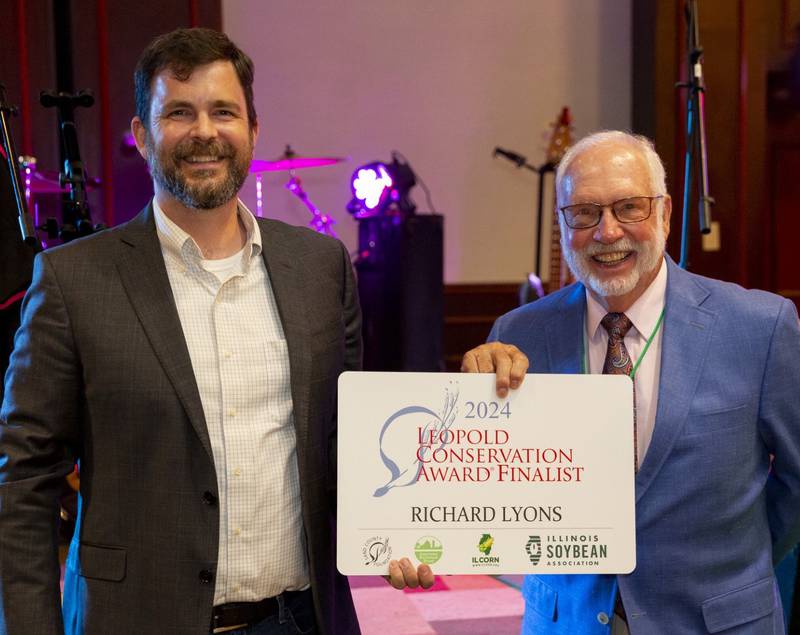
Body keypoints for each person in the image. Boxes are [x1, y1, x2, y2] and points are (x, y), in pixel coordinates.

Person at [0, 28, 430, 635]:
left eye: (223, 111)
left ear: (252, 130)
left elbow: (343, 443)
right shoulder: (75, 281)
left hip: (300, 619)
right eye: (179, 112)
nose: (204, 131)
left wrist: (402, 530)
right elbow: (24, 478)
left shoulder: (319, 268)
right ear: (142, 136)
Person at [462, 130, 800, 634]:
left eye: (629, 208)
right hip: (568, 622)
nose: (607, 231)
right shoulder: (518, 334)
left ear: (664, 213)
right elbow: (486, 495)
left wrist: (733, 564)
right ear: (562, 224)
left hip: (715, 621)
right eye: (584, 213)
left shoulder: (760, 326)